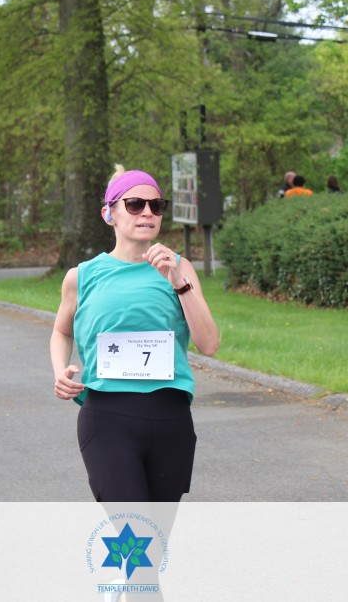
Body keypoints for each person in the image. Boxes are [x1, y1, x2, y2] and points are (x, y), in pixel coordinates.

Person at [50, 165, 220, 502]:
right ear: (108, 213)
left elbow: (209, 344)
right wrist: (59, 371)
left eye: (156, 206)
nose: (147, 213)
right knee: (132, 527)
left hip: (170, 416)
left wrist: (178, 282)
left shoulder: (179, 267)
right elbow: (61, 331)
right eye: (135, 204)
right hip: (107, 417)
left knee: (155, 532)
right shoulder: (81, 276)